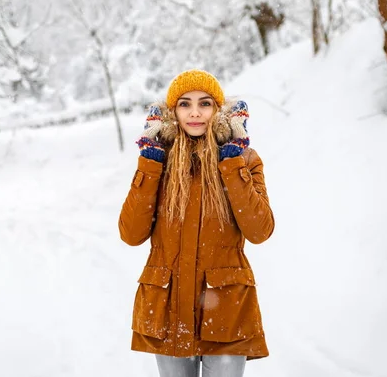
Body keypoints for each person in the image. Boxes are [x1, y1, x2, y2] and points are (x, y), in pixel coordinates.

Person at [118, 69, 275, 377]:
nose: (194, 113)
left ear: (218, 110)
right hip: (168, 307)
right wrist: (149, 164)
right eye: (184, 104)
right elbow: (131, 233)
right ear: (172, 112)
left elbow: (260, 230)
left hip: (226, 307)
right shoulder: (157, 160)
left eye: (204, 103)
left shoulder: (245, 159)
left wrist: (232, 163)